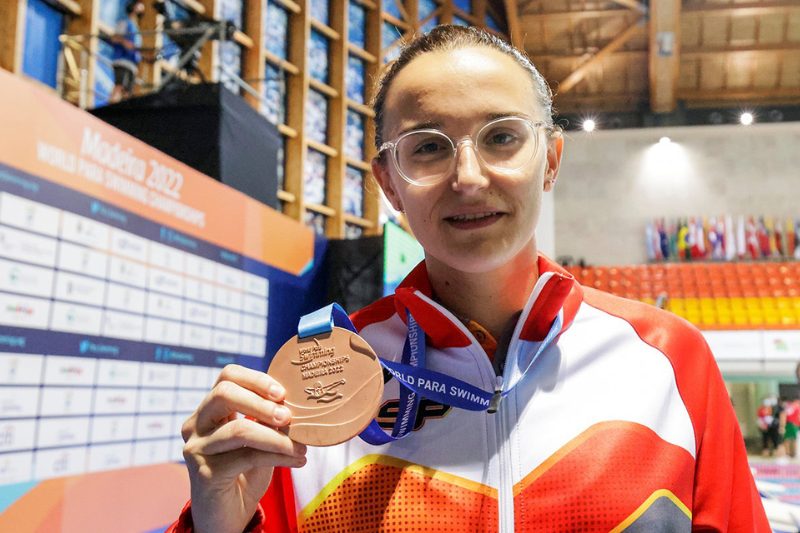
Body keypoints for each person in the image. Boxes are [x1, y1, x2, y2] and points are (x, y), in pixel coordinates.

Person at [170, 25, 769, 532]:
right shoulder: (320, 386)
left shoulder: (668, 360)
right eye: (428, 147)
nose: (469, 177)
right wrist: (216, 522)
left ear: (550, 160)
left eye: (501, 137)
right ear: (389, 183)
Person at [109, 0, 144, 103]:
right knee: (119, 86)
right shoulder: (125, 22)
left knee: (127, 93)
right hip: (122, 61)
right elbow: (115, 38)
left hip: (132, 65)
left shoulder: (137, 29)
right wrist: (125, 43)